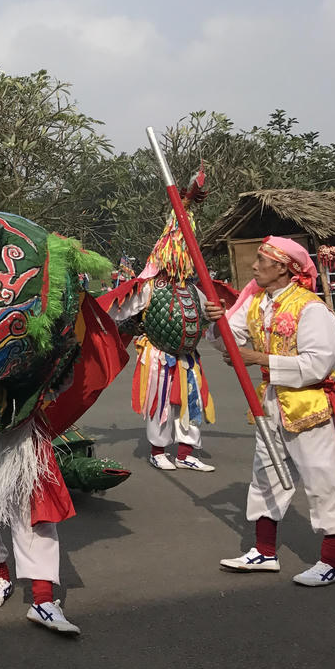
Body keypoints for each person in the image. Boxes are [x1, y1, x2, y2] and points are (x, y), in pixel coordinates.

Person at [205, 237, 335, 586]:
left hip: (310, 406)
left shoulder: (311, 308)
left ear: (283, 266)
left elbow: (318, 364)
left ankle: (333, 560)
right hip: (271, 404)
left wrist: (259, 359)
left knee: (323, 480)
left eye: (261, 260)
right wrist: (217, 321)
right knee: (266, 477)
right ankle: (264, 552)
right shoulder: (255, 304)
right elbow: (227, 341)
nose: (254, 266)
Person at [102, 173, 219, 472]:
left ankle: (185, 453)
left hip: (188, 357)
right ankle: (157, 451)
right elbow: (118, 309)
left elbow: (215, 322)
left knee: (191, 402)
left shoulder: (197, 288)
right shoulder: (150, 287)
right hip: (158, 356)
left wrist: (221, 328)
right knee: (162, 404)